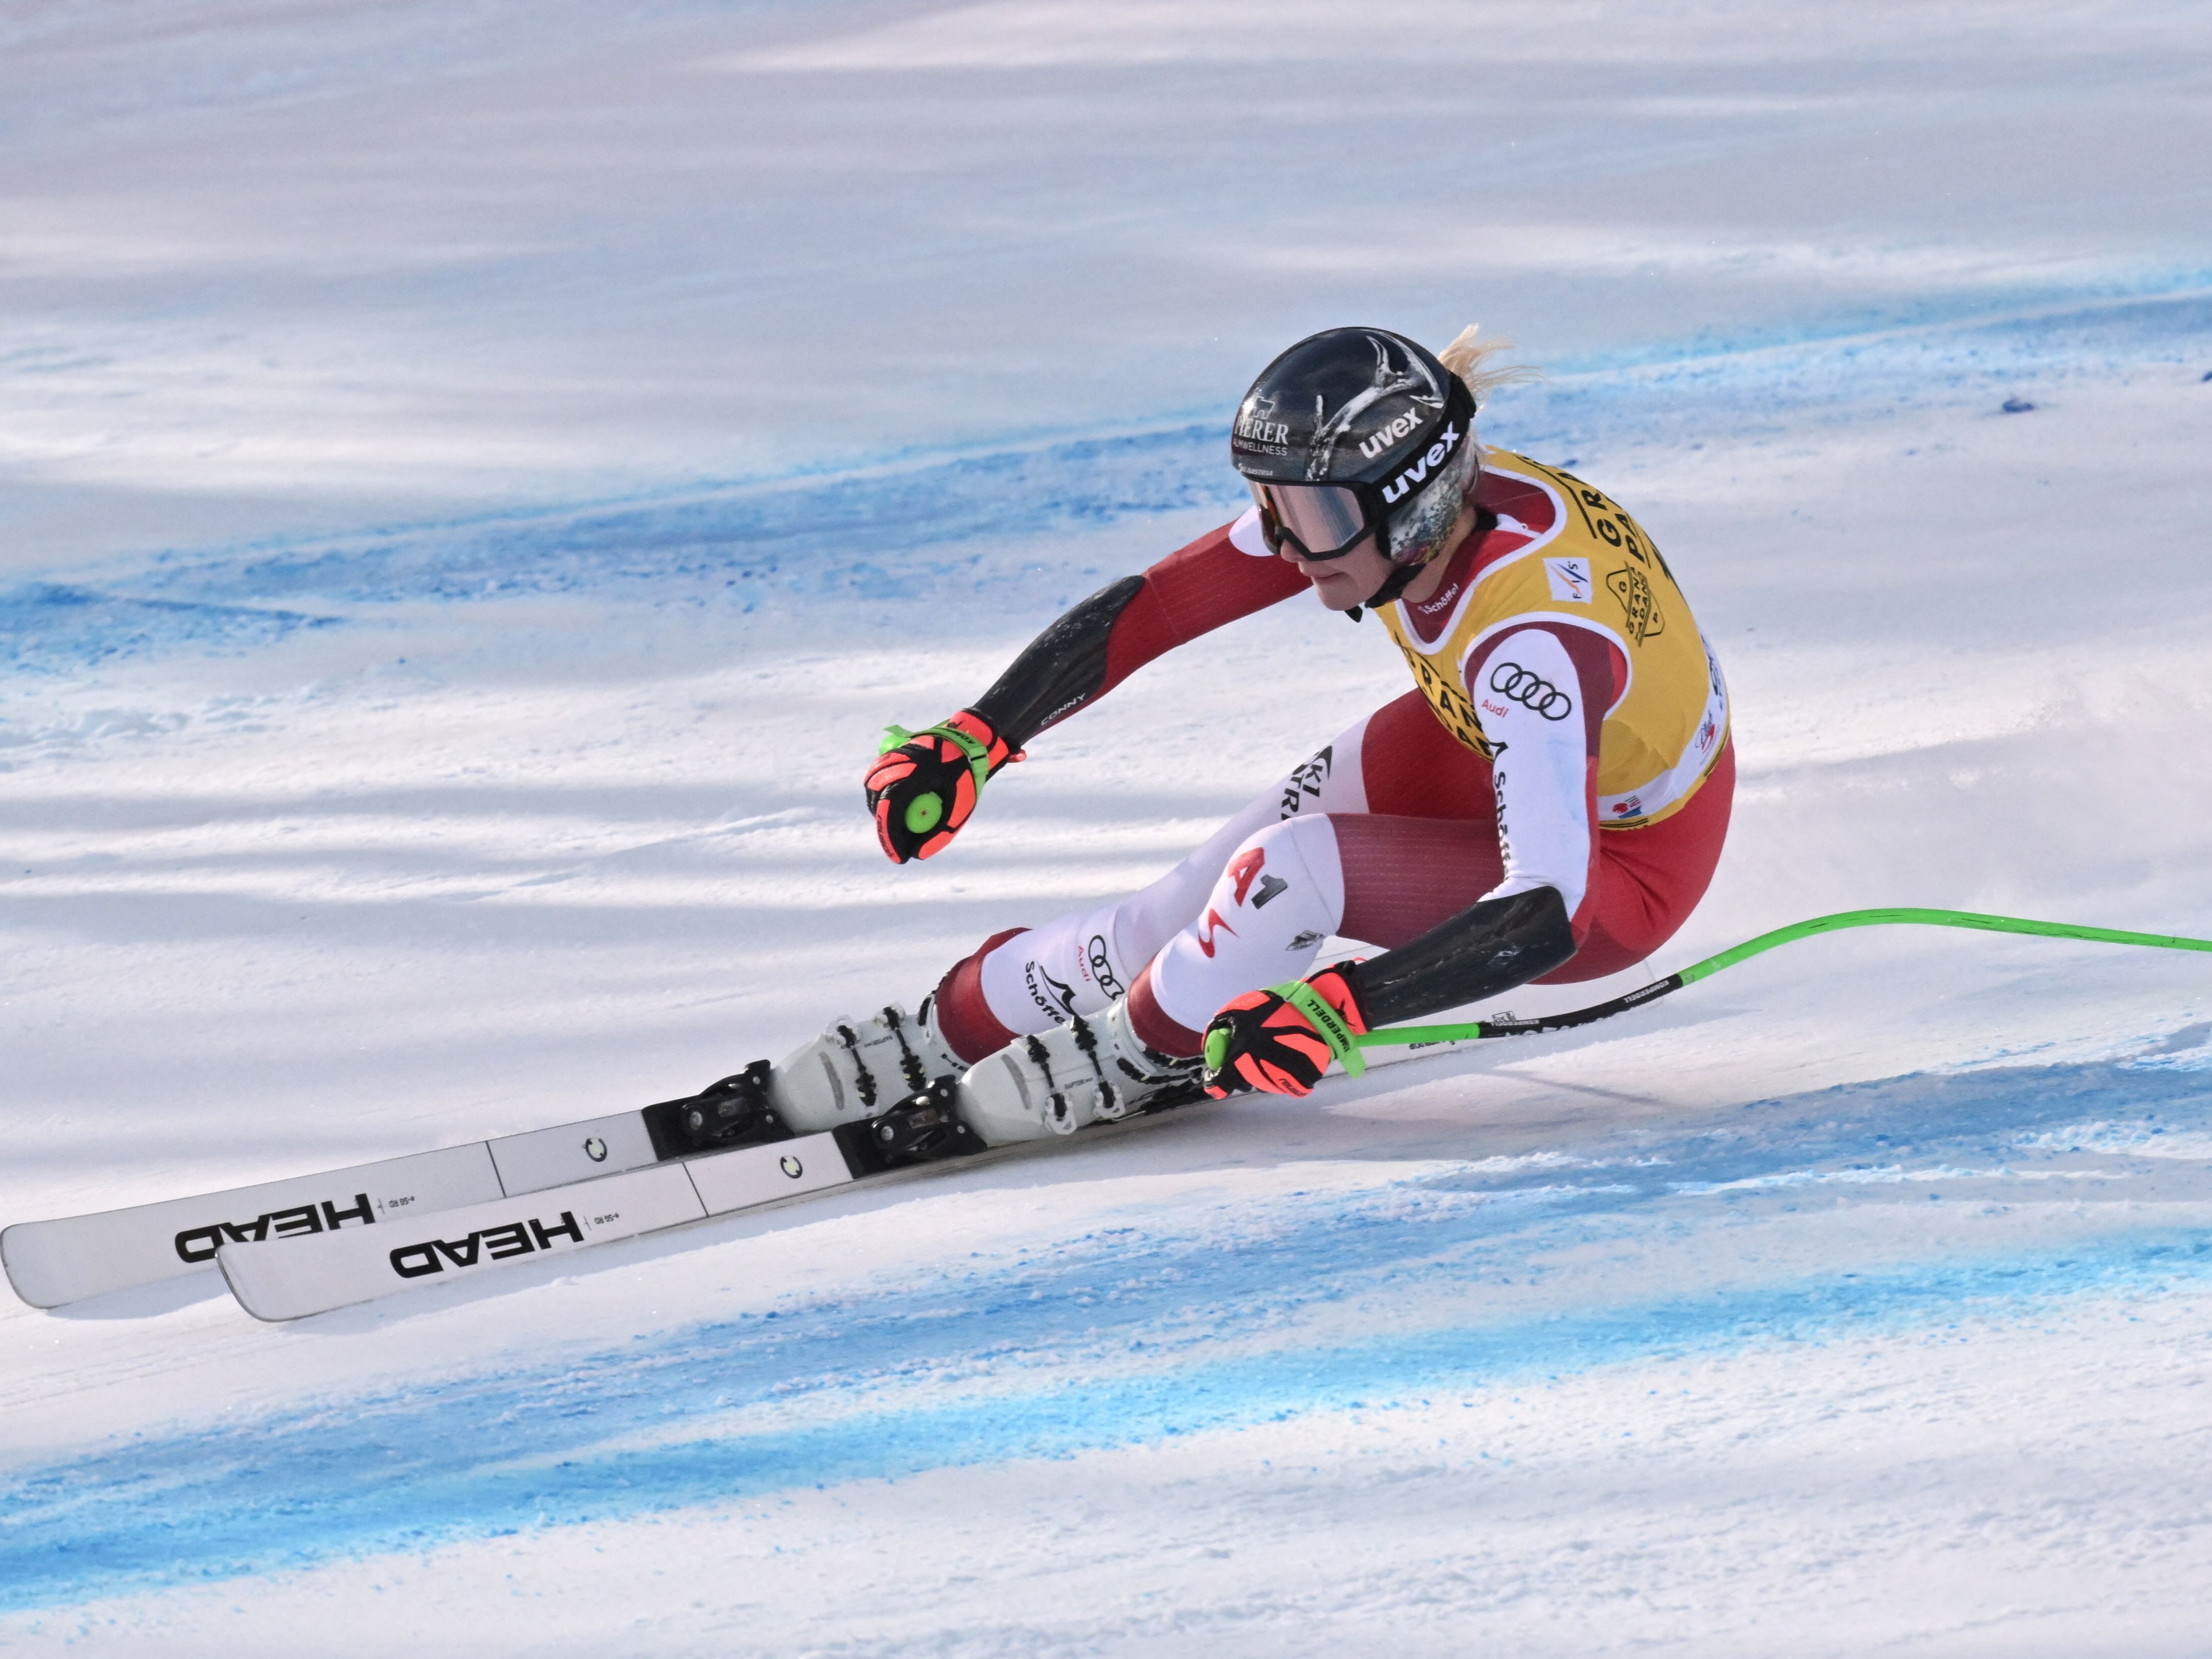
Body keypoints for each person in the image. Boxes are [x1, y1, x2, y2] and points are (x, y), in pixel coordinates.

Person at [716, 325, 1733, 1155]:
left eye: (1310, 516)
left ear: (1414, 502)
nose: (1286, 545)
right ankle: (951, 1027)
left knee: (1289, 871)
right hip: (1488, 738)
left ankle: (1136, 1051)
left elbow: (1548, 910)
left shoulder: (1530, 647)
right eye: (1270, 505)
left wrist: (1342, 1005)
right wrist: (981, 734)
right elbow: (1162, 603)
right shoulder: (1386, 511)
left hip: (1626, 864)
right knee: (1187, 902)